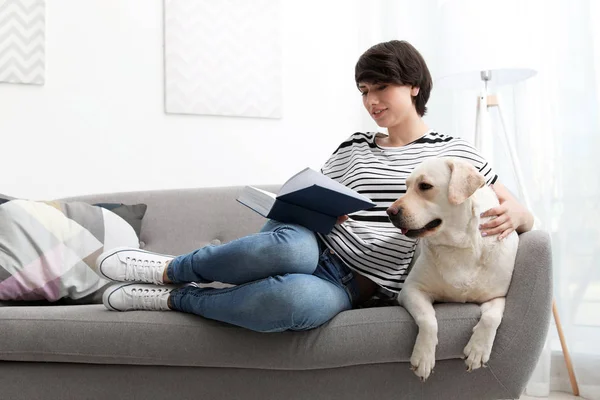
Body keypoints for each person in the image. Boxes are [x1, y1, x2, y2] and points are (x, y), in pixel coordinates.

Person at [97, 40, 534, 332]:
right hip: (314, 245)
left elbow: (515, 208)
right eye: (364, 91)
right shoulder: (353, 147)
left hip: (356, 285)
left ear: (414, 86)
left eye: (381, 88)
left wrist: (518, 215)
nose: (371, 102)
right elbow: (309, 195)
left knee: (294, 305)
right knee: (292, 249)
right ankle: (166, 269)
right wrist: (318, 207)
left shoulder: (454, 154)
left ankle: (176, 300)